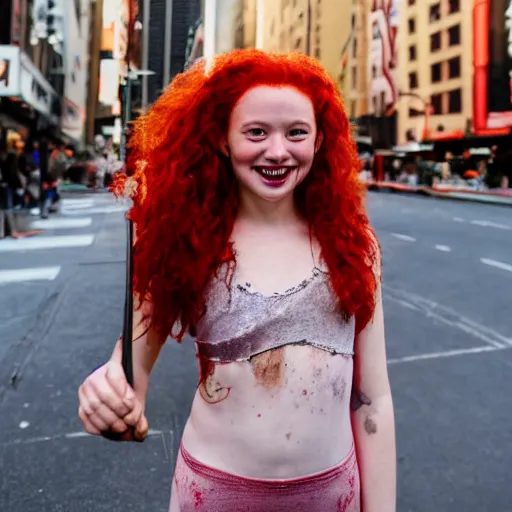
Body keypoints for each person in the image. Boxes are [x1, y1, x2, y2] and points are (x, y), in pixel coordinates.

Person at [78, 50, 396, 512]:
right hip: (214, 494)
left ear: (320, 140)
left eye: (296, 133)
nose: (277, 151)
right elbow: (129, 372)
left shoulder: (355, 246)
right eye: (256, 132)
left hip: (333, 495)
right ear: (223, 140)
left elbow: (373, 400)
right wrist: (107, 397)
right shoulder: (184, 241)